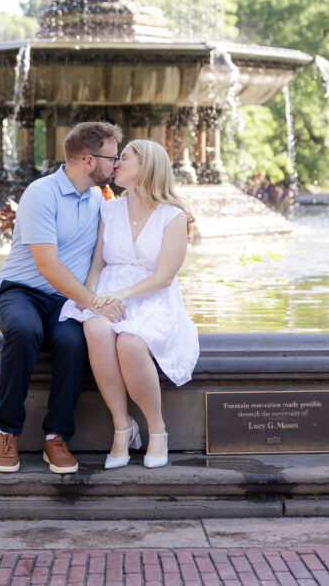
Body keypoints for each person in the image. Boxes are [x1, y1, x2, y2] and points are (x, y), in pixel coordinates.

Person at [0, 121, 124, 476]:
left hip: (65, 301)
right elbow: (47, 265)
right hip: (21, 292)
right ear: (89, 160)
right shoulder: (41, 193)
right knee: (23, 330)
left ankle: (56, 436)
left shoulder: (99, 199)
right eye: (112, 158)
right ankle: (7, 432)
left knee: (74, 342)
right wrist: (94, 302)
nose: (117, 164)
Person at [60, 139, 199, 469]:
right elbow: (97, 265)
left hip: (151, 298)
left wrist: (119, 296)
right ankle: (122, 427)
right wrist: (90, 301)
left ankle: (157, 429)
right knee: (95, 327)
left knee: (131, 343)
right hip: (107, 292)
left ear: (146, 166)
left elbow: (164, 277)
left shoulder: (173, 216)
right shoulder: (108, 209)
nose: (116, 163)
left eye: (124, 158)